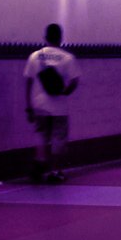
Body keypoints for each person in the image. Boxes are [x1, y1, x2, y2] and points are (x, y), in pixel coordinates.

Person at [24, 23, 81, 182]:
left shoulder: (35, 57)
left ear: (45, 37)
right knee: (58, 139)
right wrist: (65, 91)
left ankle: (40, 165)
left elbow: (28, 81)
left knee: (41, 135)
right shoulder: (67, 58)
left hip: (39, 105)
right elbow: (75, 81)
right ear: (61, 38)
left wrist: (29, 106)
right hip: (59, 107)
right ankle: (55, 172)